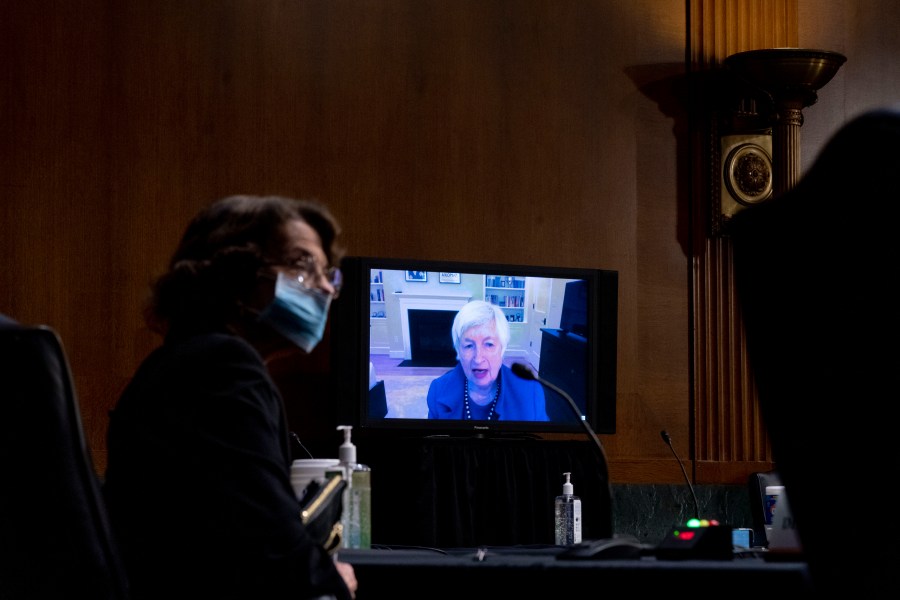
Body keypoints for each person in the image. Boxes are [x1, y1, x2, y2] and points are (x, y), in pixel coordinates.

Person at [102, 195, 357, 600]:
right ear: (234, 275)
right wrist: (330, 576)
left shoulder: (178, 361)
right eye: (302, 264)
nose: (326, 287)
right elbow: (276, 557)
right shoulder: (222, 368)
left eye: (329, 274)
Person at [426, 300, 548, 421]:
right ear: (459, 350)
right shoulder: (438, 390)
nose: (478, 359)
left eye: (489, 344)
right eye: (469, 346)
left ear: (502, 348)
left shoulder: (530, 393)